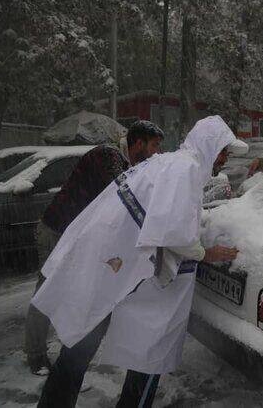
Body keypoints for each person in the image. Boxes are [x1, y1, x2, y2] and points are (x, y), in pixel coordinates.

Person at [31, 115, 245, 407]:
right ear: (209, 145)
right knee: (142, 349)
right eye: (223, 151)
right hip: (114, 261)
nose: (225, 159)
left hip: (110, 259)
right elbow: (174, 231)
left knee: (82, 339)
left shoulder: (171, 163)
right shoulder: (186, 169)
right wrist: (207, 253)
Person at [25, 120, 165, 375]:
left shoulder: (124, 163)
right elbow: (124, 195)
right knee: (47, 289)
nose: (157, 152)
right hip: (57, 229)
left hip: (74, 235)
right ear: (138, 143)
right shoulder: (108, 156)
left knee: (73, 290)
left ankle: (68, 349)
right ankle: (36, 355)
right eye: (155, 145)